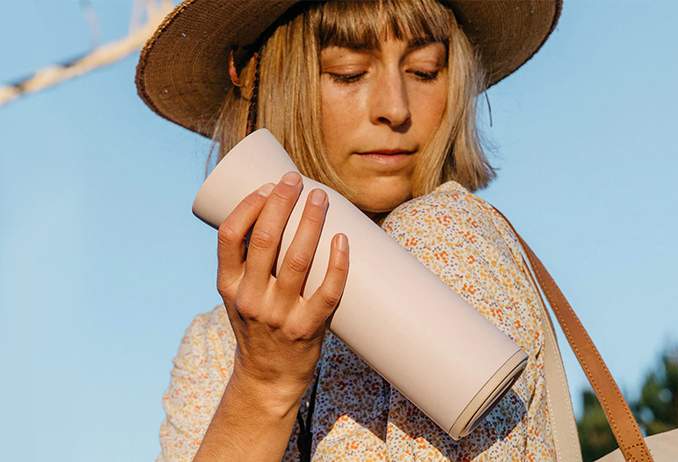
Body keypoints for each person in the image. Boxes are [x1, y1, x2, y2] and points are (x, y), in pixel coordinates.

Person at [135, 0, 562, 460]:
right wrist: (262, 386)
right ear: (263, 81)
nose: (394, 109)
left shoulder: (441, 241)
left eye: (424, 70)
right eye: (348, 72)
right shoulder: (217, 347)